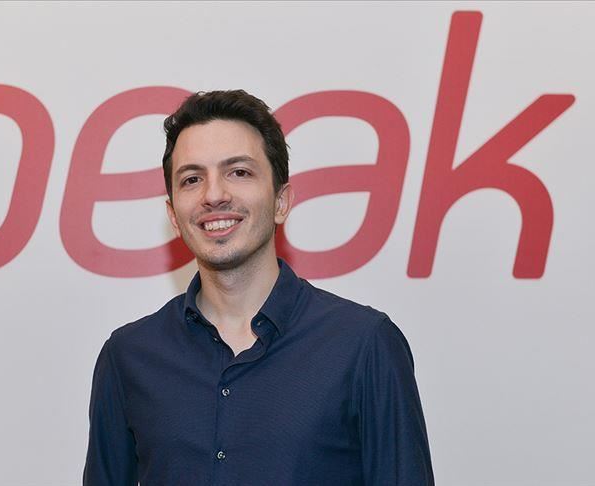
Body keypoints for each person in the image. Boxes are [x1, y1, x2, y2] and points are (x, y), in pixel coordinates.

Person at [83, 90, 434, 485]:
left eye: (239, 172)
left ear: (281, 202)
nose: (214, 195)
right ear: (174, 215)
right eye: (192, 179)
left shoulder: (364, 345)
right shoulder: (128, 357)